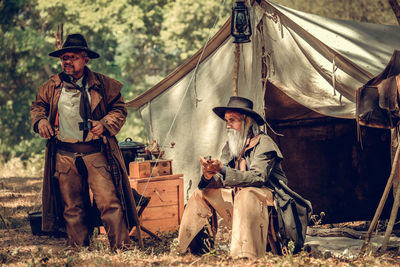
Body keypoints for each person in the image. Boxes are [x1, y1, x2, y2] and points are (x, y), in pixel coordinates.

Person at [30, 33, 145, 250]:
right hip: (64, 153)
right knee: (71, 205)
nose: (67, 61)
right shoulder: (51, 86)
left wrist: (105, 124)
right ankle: (78, 247)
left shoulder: (103, 84)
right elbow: (38, 107)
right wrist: (41, 121)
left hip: (95, 152)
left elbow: (119, 110)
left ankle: (121, 247)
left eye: (72, 57)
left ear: (85, 59)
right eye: (64, 58)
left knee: (108, 201)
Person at [177, 96, 288, 258]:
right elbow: (222, 177)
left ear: (248, 121)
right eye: (227, 121)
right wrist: (209, 175)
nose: (228, 125)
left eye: (233, 120)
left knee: (246, 193)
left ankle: (245, 256)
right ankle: (189, 250)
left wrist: (222, 170)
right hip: (239, 197)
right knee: (200, 194)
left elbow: (258, 177)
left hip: (267, 200)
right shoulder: (231, 146)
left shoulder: (265, 143)